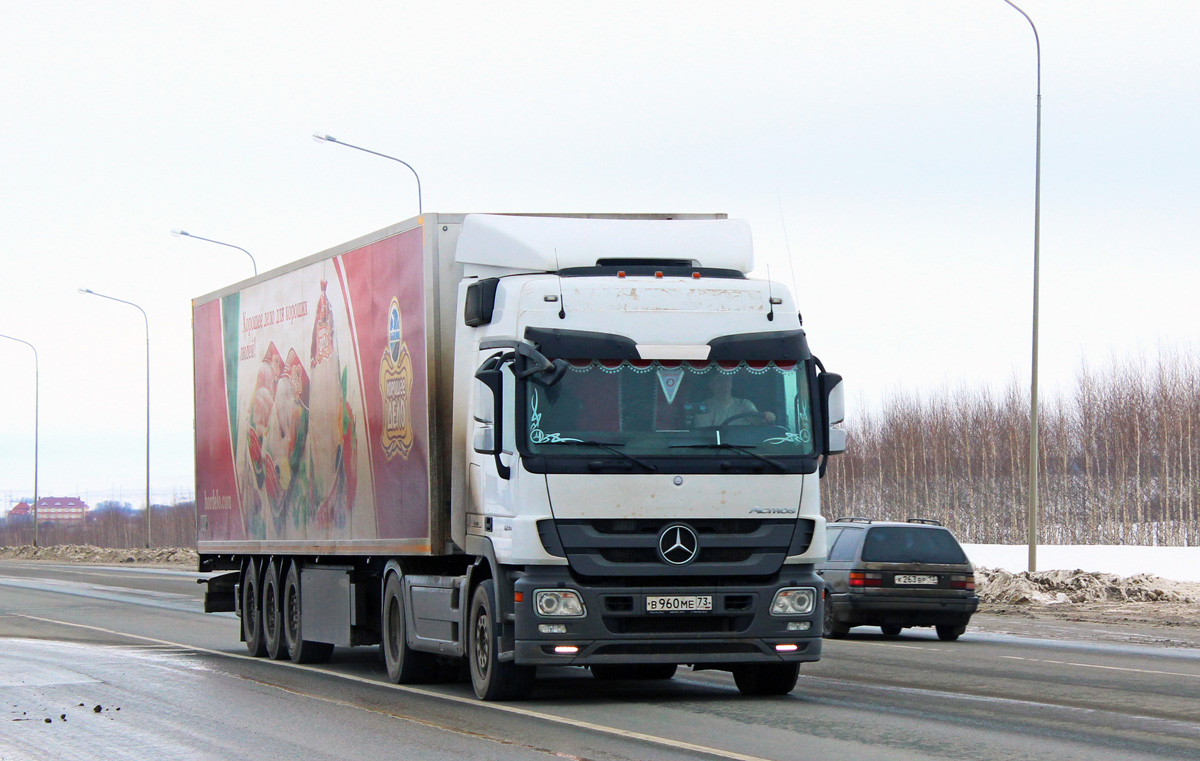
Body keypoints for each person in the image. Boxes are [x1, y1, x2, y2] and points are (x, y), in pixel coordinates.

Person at [692, 373, 776, 427]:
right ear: (711, 385)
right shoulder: (704, 407)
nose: (724, 383)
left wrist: (768, 416)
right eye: (719, 380)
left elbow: (757, 420)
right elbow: (705, 434)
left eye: (727, 379)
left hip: (743, 449)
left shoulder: (744, 404)